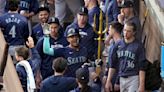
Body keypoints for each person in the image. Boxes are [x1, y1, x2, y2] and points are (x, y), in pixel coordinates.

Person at [105, 21, 146, 92]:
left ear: (134, 32)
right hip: (122, 76)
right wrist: (108, 80)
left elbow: (142, 67)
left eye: (128, 31)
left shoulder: (139, 46)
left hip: (133, 77)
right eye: (124, 30)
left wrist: (142, 85)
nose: (125, 33)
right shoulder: (117, 44)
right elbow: (113, 65)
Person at [103, 21, 123, 92]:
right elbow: (110, 62)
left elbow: (122, 64)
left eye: (110, 29)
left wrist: (117, 81)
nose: (108, 31)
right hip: (111, 76)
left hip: (117, 76)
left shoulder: (121, 45)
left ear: (114, 30)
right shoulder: (113, 43)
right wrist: (106, 74)